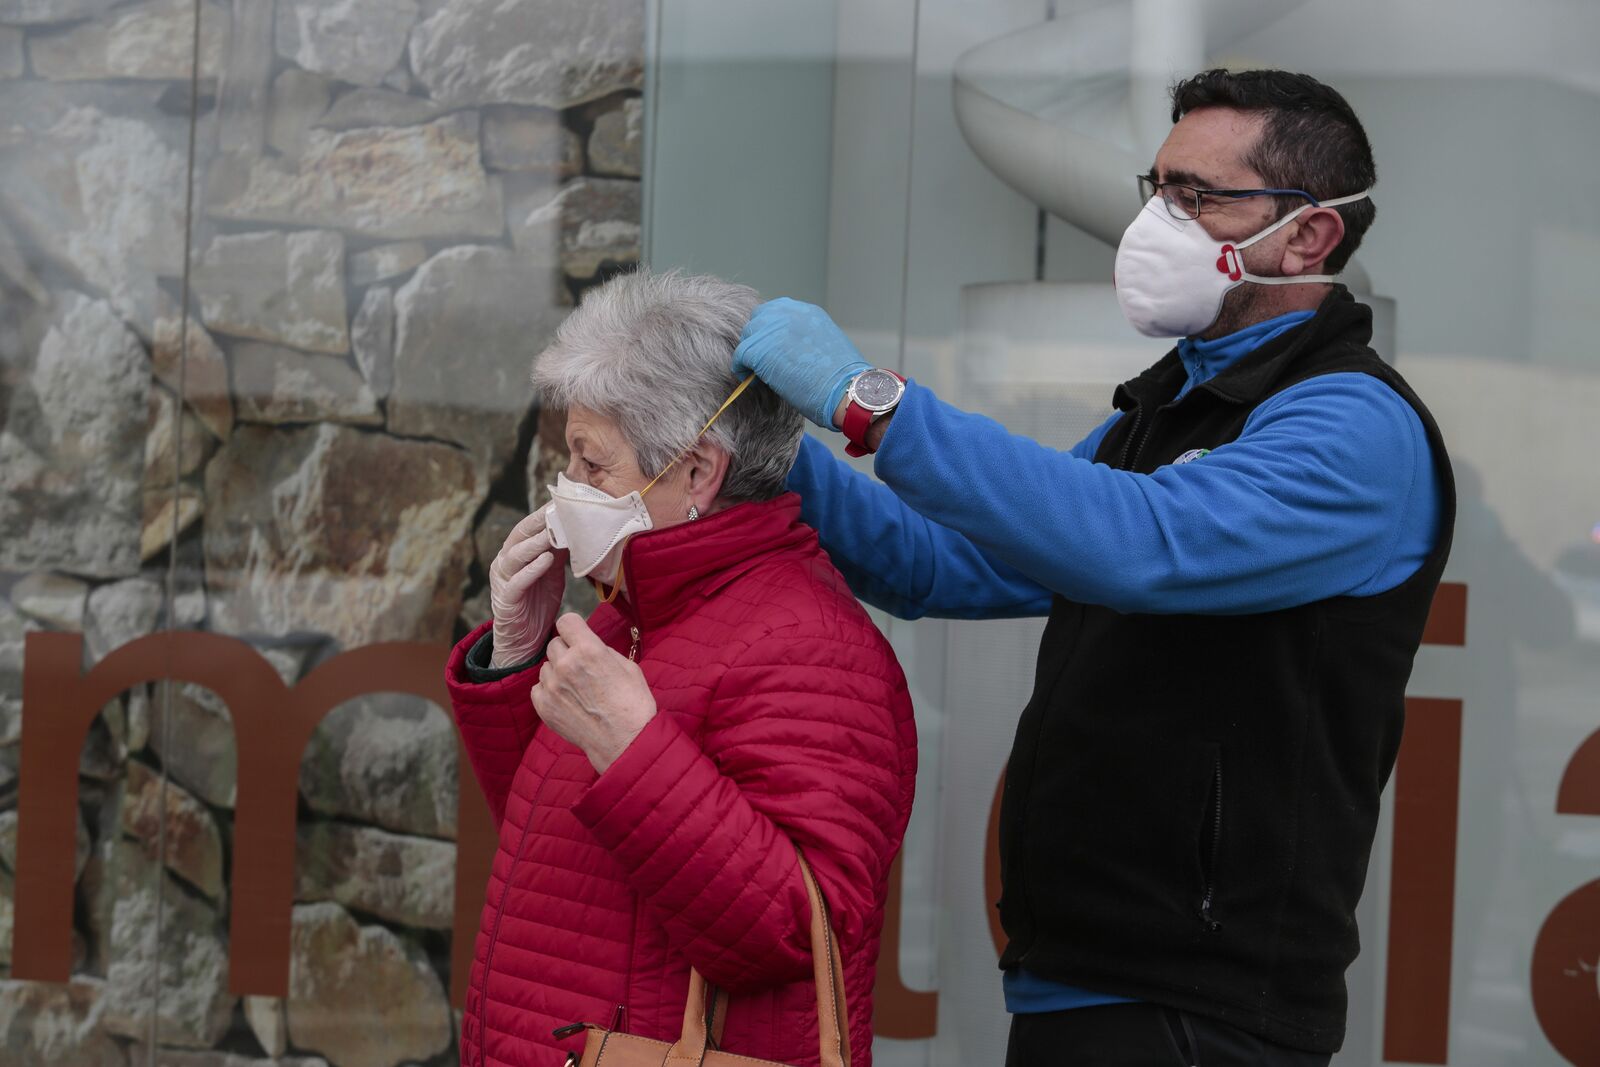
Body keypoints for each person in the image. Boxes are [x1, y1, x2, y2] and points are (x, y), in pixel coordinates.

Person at [733, 69, 1455, 1067]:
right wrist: (769, 447)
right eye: (1155, 187)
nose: (1159, 219)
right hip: (1082, 970)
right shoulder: (1166, 414)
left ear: (1308, 236)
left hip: (1203, 1001)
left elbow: (1138, 545)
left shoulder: (1352, 426)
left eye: (1197, 195)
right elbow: (935, 562)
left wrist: (865, 400)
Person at [446, 269, 917, 1066]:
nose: (568, 490)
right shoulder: (633, 610)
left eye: (594, 465)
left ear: (699, 471)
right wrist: (516, 660)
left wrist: (633, 749)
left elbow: (798, 933)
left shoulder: (812, 645)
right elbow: (560, 852)